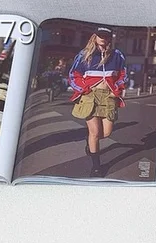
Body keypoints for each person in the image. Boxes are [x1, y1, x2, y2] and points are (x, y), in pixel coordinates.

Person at [68, 26, 127, 177]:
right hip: (90, 95)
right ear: (95, 36)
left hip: (109, 96)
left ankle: (90, 141)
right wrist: (84, 89)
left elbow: (122, 74)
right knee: (94, 133)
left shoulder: (117, 55)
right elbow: (73, 75)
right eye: (100, 35)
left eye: (106, 36)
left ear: (110, 38)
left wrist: (117, 89)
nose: (103, 38)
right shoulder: (84, 54)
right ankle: (96, 167)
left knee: (106, 133)